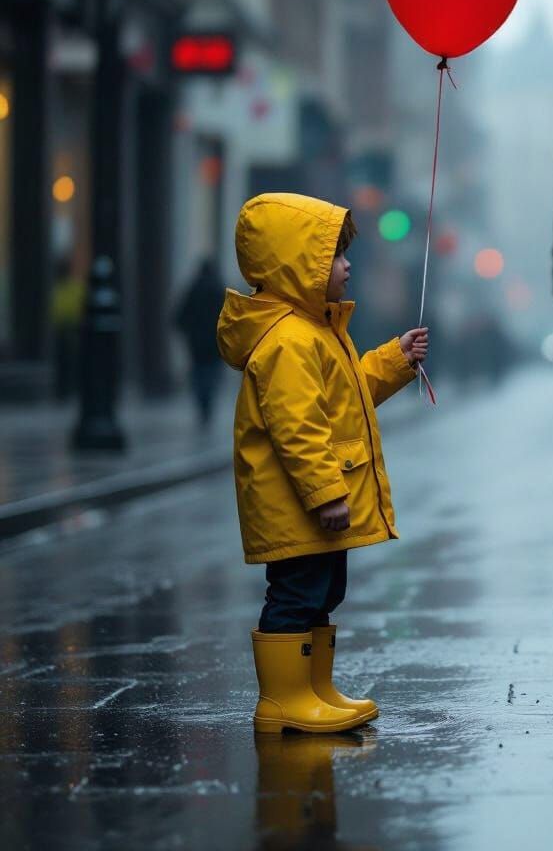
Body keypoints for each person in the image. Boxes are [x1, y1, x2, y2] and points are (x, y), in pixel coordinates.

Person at [216, 193, 429, 733]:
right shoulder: (289, 341)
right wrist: (326, 493)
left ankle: (313, 688)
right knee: (296, 592)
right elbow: (299, 428)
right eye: (334, 256)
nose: (347, 265)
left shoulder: (316, 331)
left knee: (323, 591)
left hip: (311, 504)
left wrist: (394, 361)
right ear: (297, 266)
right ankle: (283, 700)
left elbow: (347, 396)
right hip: (298, 505)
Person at [174, 257, 226, 427]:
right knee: (211, 375)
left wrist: (186, 330)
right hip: (215, 343)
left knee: (198, 374)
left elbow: (180, 316)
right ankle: (207, 404)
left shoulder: (193, 289)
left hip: (196, 343)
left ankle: (202, 405)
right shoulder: (219, 291)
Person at [50, 257, 85, 400]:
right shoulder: (57, 288)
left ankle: (71, 388)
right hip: (61, 332)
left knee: (72, 361)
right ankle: (62, 390)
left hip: (73, 331)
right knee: (62, 362)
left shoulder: (73, 287)